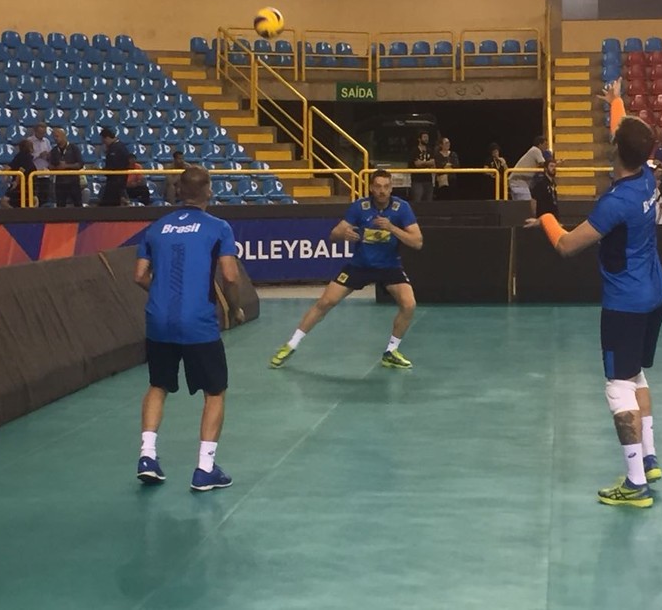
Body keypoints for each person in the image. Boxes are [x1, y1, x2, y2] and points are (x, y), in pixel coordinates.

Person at [525, 77, 662, 509]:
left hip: (625, 304)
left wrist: (546, 217)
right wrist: (616, 101)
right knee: (636, 376)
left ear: (615, 152)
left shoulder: (615, 202)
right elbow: (626, 133)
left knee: (616, 387)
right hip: (657, 295)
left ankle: (635, 483)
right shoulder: (646, 176)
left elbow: (568, 246)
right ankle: (650, 456)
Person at [134, 165, 245, 492]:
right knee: (215, 391)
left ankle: (147, 456)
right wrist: (235, 307)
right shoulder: (218, 227)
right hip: (197, 323)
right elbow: (229, 275)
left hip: (158, 320)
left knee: (158, 385)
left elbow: (139, 275)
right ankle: (205, 468)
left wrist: (161, 292)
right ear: (208, 190)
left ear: (179, 191)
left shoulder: (156, 228)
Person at [270, 169, 423, 370]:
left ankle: (391, 351)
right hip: (359, 266)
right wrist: (345, 234)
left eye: (386, 187)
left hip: (389, 266)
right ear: (371, 188)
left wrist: (392, 228)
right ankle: (291, 344)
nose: (382, 191)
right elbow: (334, 234)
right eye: (377, 186)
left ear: (391, 188)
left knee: (409, 304)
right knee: (325, 302)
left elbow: (417, 242)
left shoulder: (401, 208)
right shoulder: (360, 207)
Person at [49, 127, 83, 207]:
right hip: (60, 182)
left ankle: (81, 219)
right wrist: (56, 168)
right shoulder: (54, 150)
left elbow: (80, 164)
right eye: (54, 136)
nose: (55, 138)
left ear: (64, 136)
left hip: (73, 181)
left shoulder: (74, 148)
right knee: (60, 205)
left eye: (57, 136)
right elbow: (51, 165)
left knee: (78, 204)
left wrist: (66, 166)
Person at [510, 136, 553, 201]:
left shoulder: (533, 150)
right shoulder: (536, 150)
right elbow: (543, 164)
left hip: (518, 182)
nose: (546, 147)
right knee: (527, 205)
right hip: (519, 182)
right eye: (545, 144)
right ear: (540, 144)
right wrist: (555, 164)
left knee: (519, 207)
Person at [0, 139, 36, 208]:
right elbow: (21, 170)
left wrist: (5, 177)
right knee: (5, 201)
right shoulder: (25, 157)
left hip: (25, 185)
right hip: (22, 185)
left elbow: (9, 167)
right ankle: (15, 213)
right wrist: (16, 182)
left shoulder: (20, 156)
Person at [99, 127, 130, 206]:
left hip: (115, 181)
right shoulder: (120, 146)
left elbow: (112, 166)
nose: (104, 143)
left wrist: (103, 170)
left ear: (107, 138)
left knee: (108, 206)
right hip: (118, 180)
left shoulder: (116, 148)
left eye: (104, 140)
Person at [27, 122, 52, 207]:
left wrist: (48, 155)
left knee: (45, 195)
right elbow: (27, 157)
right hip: (34, 172)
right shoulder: (29, 141)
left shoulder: (47, 141)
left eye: (44, 133)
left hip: (45, 173)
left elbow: (50, 153)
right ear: (35, 131)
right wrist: (39, 155)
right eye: (40, 133)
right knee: (34, 195)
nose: (42, 134)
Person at [408, 131, 435, 203]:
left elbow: (433, 163)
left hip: (428, 180)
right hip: (417, 180)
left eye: (427, 137)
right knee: (417, 201)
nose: (426, 139)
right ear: (419, 139)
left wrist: (422, 163)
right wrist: (427, 163)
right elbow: (417, 164)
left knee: (429, 202)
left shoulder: (430, 150)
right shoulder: (414, 151)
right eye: (424, 137)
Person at [433, 136, 460, 200]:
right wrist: (447, 165)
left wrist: (447, 165)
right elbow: (439, 165)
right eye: (446, 143)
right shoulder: (437, 155)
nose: (448, 144)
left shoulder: (453, 154)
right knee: (443, 196)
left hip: (452, 179)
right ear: (441, 145)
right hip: (442, 180)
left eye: (448, 143)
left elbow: (456, 165)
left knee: (452, 196)